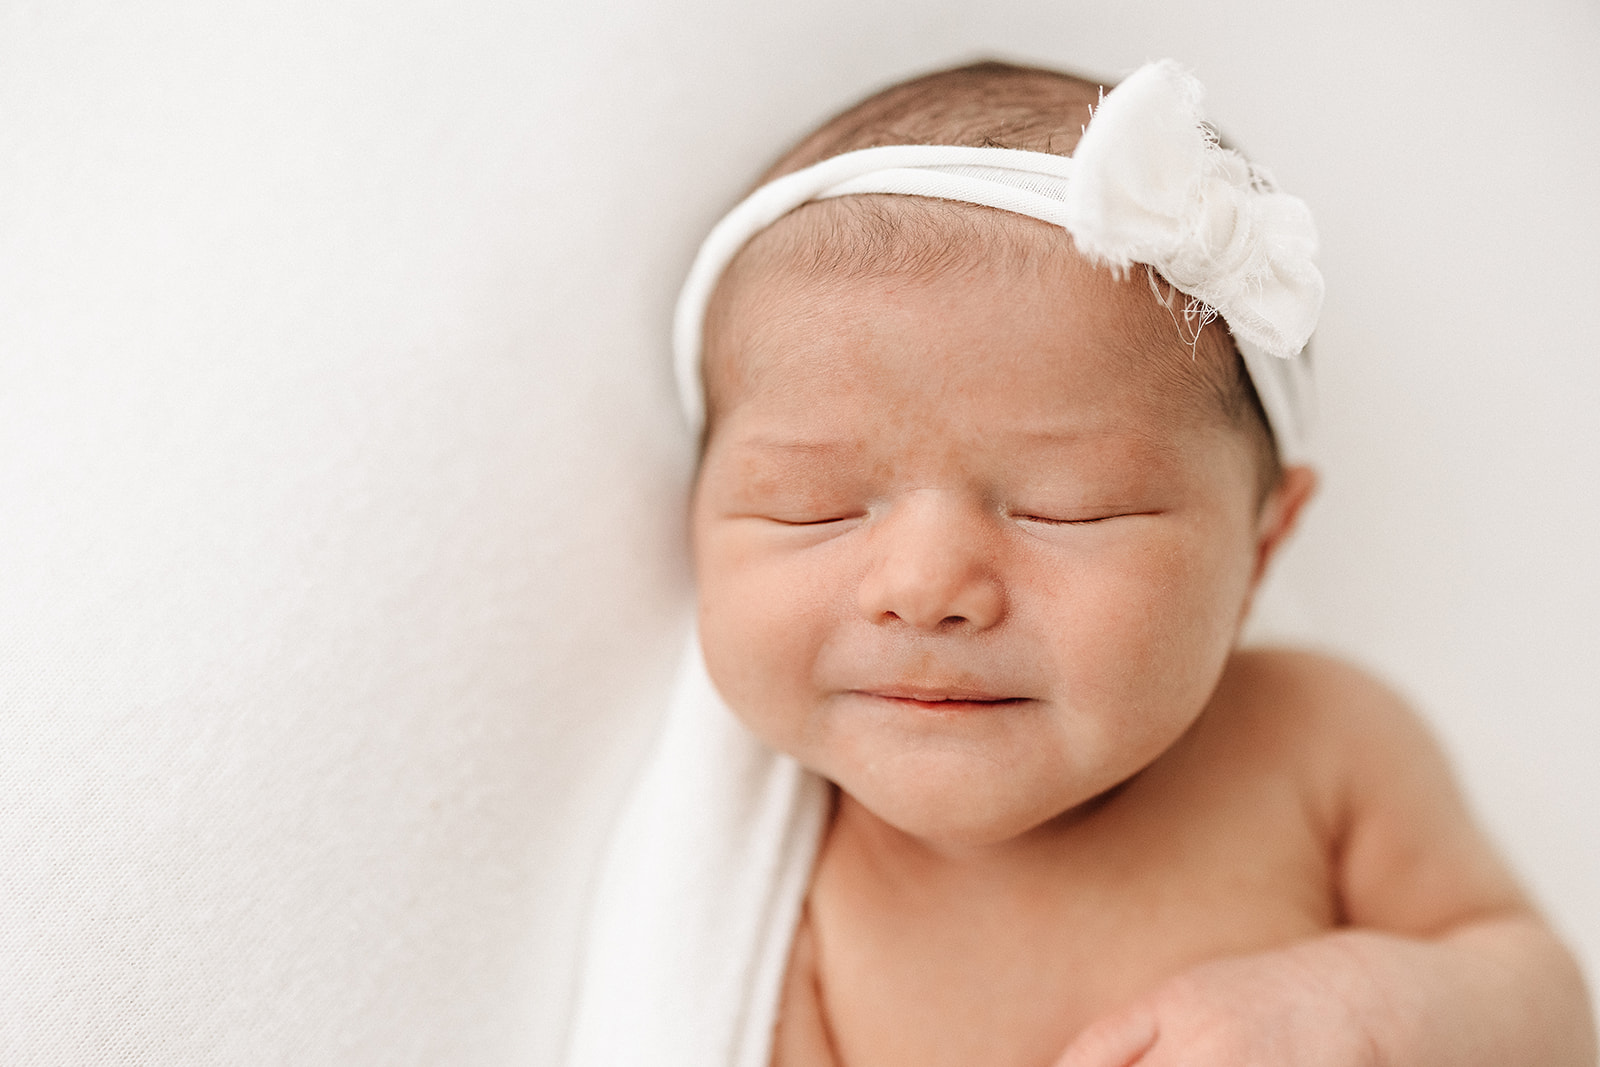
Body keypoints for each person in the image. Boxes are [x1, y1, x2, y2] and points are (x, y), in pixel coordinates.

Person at [572, 58, 1596, 1067]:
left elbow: (1548, 1004)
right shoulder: (777, 895)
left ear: (1260, 549)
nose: (928, 589)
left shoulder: (1321, 745)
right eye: (813, 508)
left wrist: (1375, 1014)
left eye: (1069, 508)